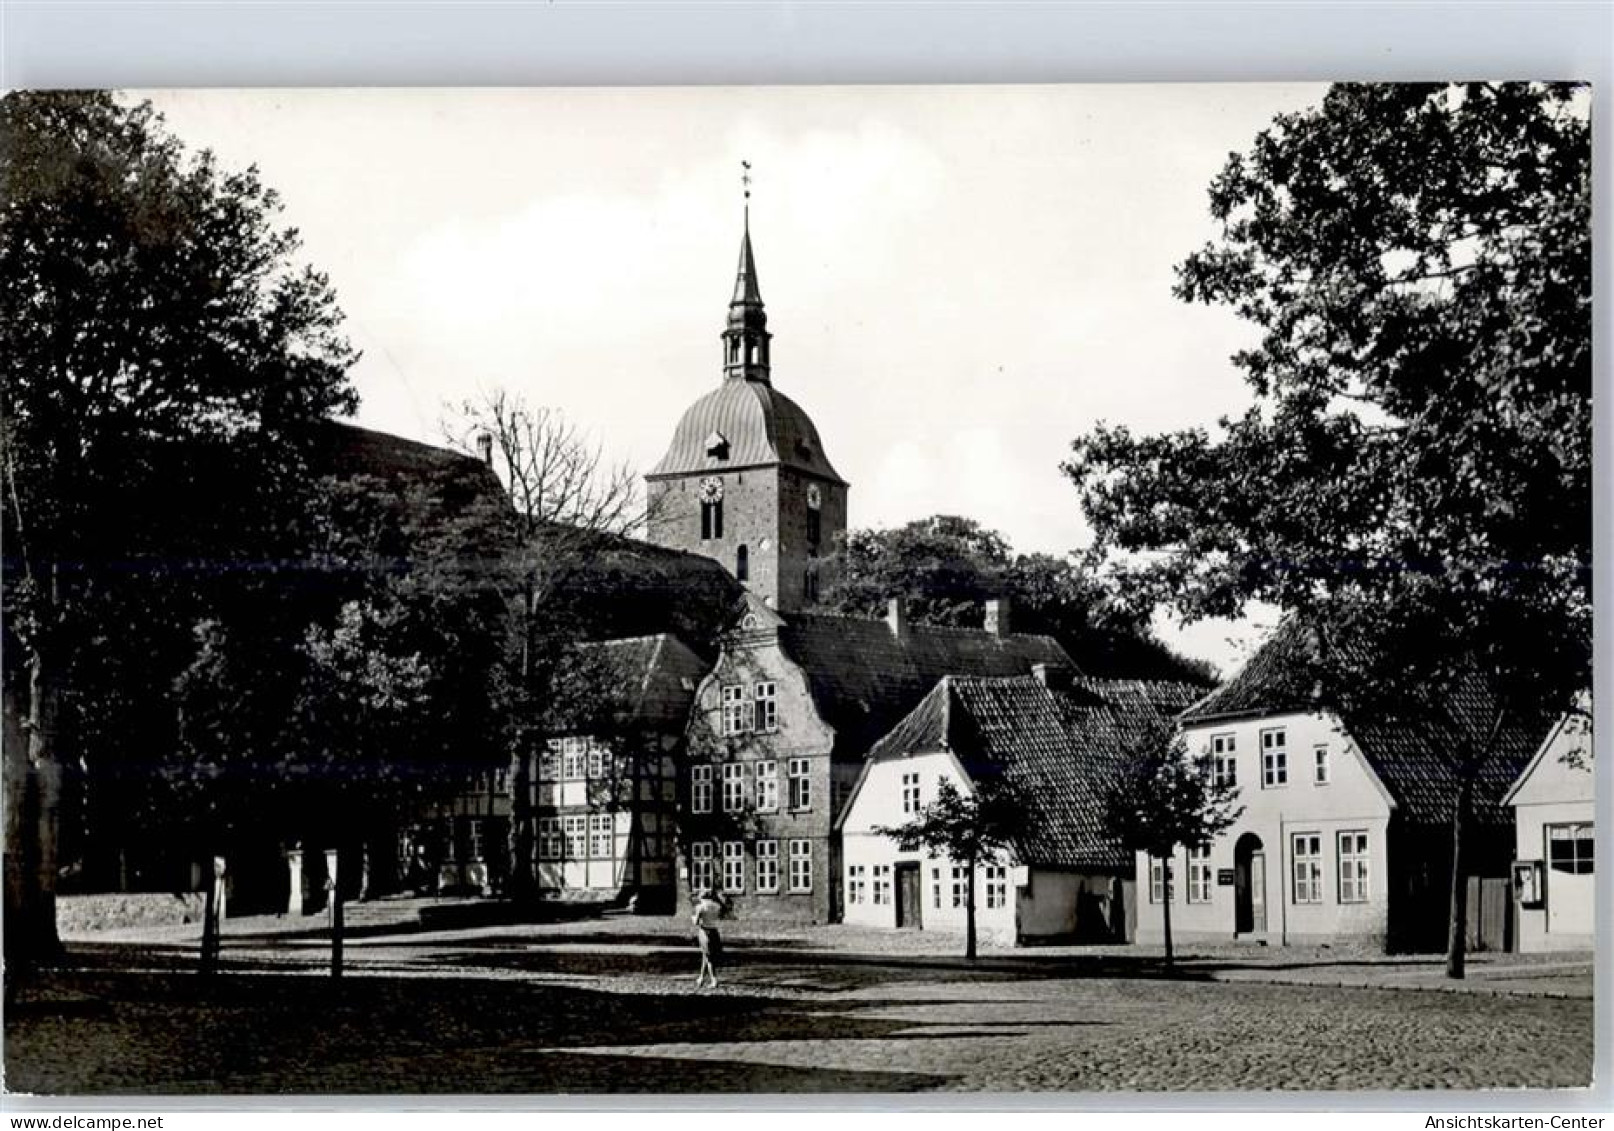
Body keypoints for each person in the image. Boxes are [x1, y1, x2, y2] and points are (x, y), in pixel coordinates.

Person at [691, 888, 726, 989]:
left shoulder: (700, 907)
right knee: (706, 955)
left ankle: (714, 979)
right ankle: (701, 977)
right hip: (714, 931)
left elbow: (696, 922)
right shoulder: (717, 906)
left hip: (704, 931)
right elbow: (719, 915)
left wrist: (693, 917)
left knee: (708, 957)